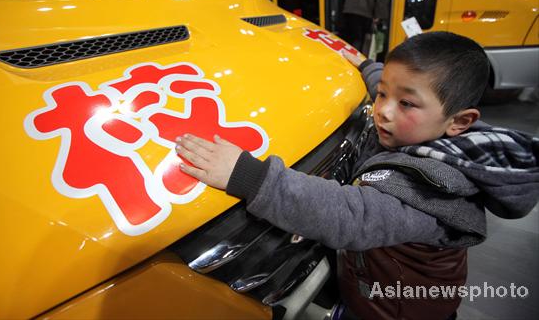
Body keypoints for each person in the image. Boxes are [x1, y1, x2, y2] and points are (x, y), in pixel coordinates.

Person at [174, 32, 539, 320]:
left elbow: (351, 216)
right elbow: (395, 84)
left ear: (459, 121)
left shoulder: (434, 188)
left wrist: (248, 176)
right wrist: (367, 66)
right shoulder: (439, 134)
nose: (383, 111)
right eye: (381, 95)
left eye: (405, 104)